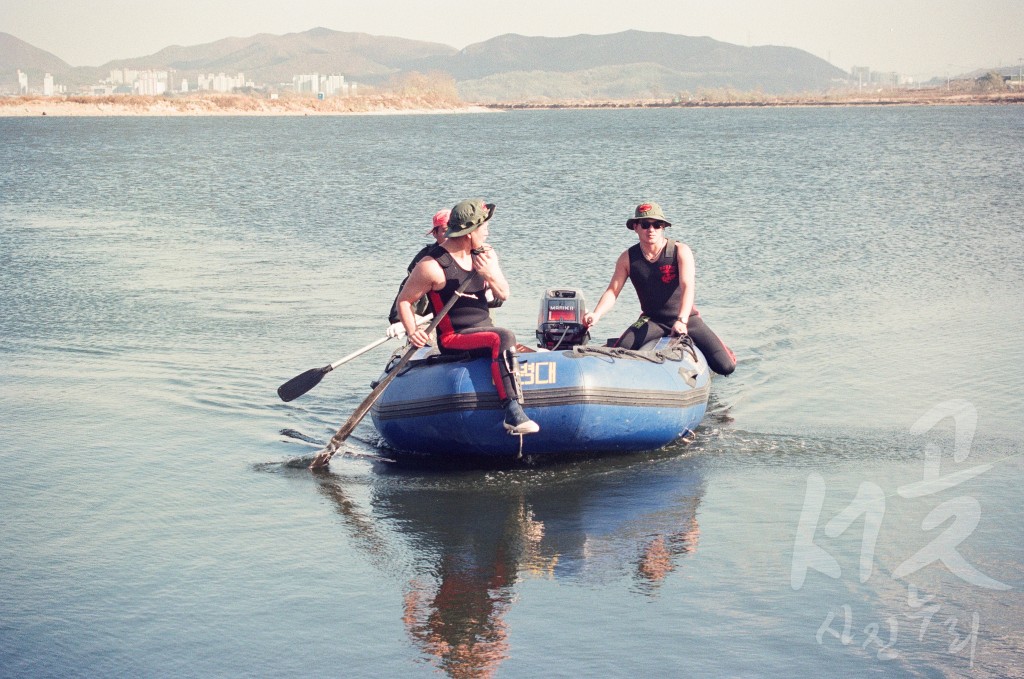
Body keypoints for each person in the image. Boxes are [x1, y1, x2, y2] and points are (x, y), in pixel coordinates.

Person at [396, 198, 539, 435]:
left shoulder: (485, 255)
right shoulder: (431, 266)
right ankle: (512, 412)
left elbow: (503, 293)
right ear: (469, 233)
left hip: (483, 331)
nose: (487, 232)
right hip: (454, 337)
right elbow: (404, 300)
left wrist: (489, 273)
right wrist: (413, 331)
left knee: (510, 343)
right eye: (484, 227)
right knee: (502, 337)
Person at [583, 201, 736, 375]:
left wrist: (682, 320)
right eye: (645, 225)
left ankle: (717, 350)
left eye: (657, 224)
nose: (651, 229)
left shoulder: (680, 251)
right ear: (636, 227)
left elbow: (688, 287)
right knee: (620, 352)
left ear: (663, 227)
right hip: (652, 319)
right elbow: (612, 291)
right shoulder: (627, 258)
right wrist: (596, 314)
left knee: (726, 367)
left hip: (687, 318)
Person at [386, 209, 450, 334]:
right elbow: (404, 300)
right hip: (428, 321)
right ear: (435, 234)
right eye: (445, 231)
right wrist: (402, 321)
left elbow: (497, 299)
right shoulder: (424, 261)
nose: (450, 235)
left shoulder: (472, 254)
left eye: (454, 231)